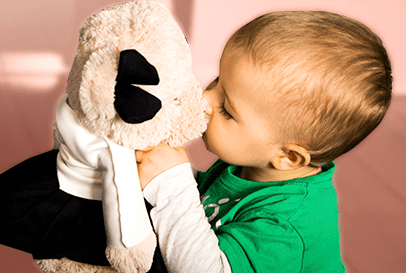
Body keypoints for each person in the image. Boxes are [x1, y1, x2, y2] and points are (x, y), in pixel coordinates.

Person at [136, 11, 392, 273]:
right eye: (217, 81)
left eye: (226, 109)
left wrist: (172, 185)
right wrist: (167, 169)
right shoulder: (253, 165)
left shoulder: (285, 226)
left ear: (288, 157)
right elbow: (208, 204)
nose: (204, 99)